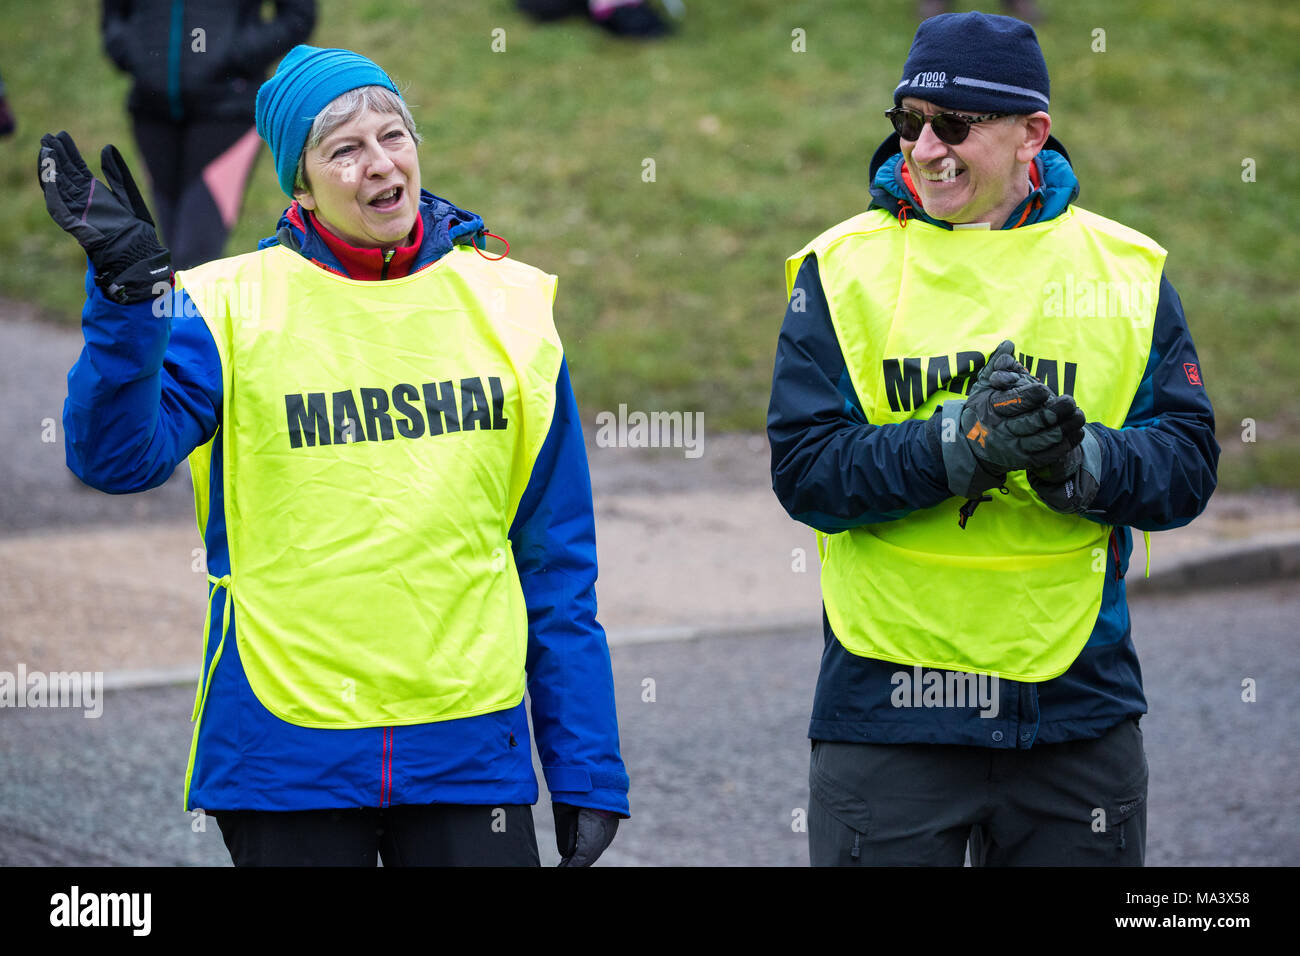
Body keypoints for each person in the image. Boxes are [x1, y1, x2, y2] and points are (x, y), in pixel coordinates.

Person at [40, 44, 628, 866]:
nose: (379, 163)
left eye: (394, 136)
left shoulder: (512, 308)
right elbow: (115, 458)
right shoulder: (223, 306)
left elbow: (556, 558)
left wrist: (585, 765)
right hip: (285, 752)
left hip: (466, 750)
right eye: (344, 150)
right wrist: (129, 303)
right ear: (302, 185)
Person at [767, 12, 1218, 866]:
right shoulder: (841, 267)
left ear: (1031, 135)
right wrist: (957, 445)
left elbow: (1188, 467)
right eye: (909, 123)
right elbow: (807, 473)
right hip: (891, 706)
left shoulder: (1127, 269)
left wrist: (1079, 463)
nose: (928, 147)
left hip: (1076, 706)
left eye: (957, 126)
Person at [100, 0, 316, 268]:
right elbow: (113, 17)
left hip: (228, 111)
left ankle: (186, 308)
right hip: (151, 110)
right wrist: (134, 53)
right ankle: (172, 309)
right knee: (165, 252)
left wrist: (234, 52)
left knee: (194, 257)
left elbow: (297, 16)